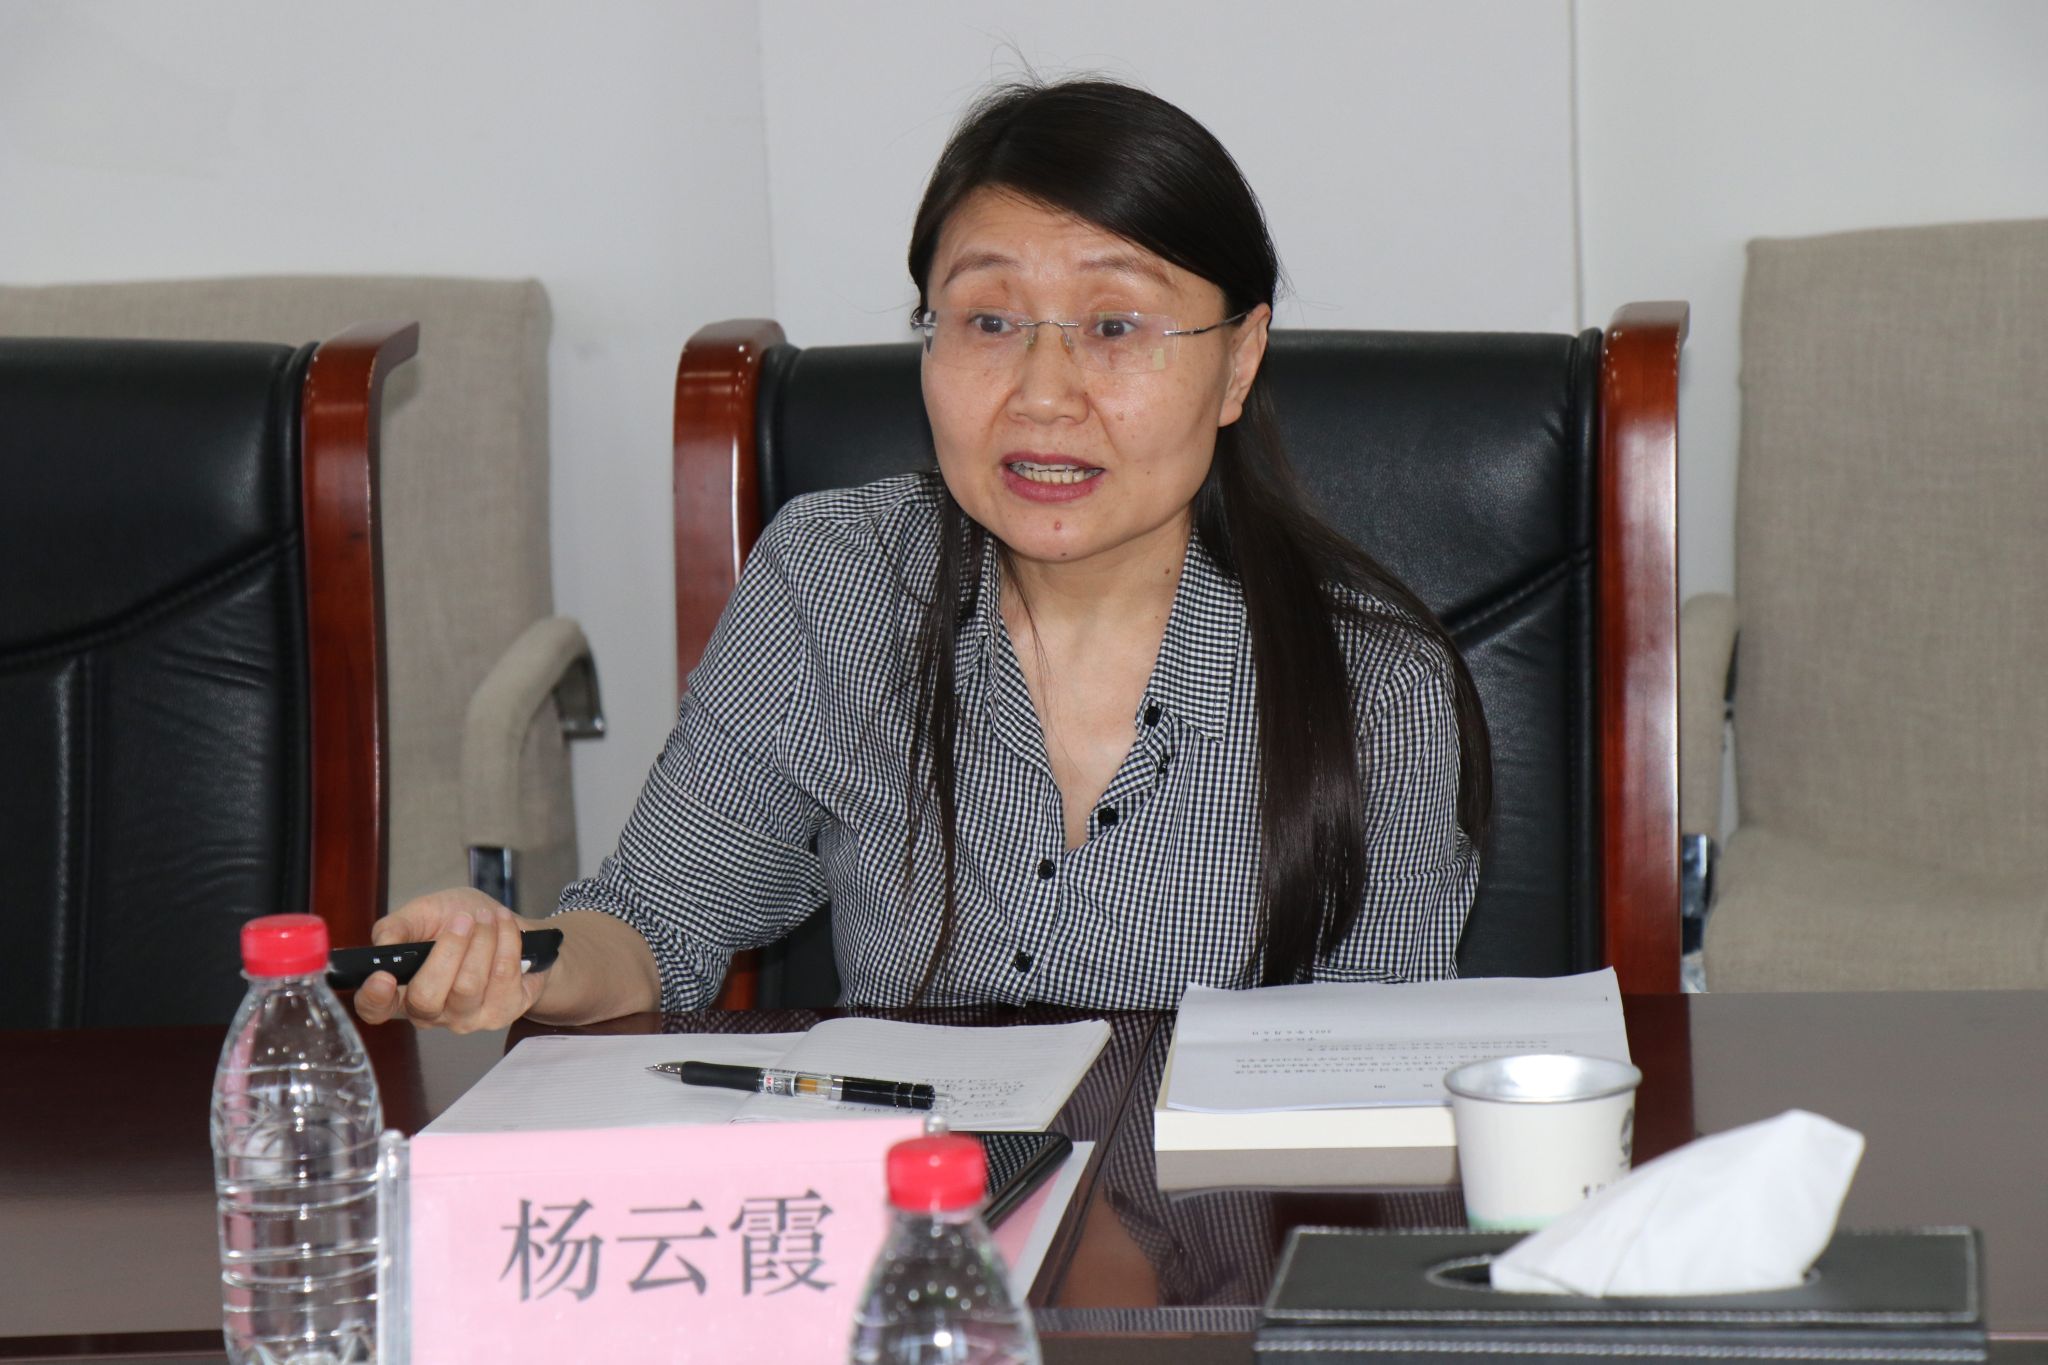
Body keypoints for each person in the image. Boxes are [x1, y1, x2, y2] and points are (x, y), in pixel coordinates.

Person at [354, 78, 1489, 1034]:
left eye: (1114, 326)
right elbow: (654, 926)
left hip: (1206, 1228)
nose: (1043, 395)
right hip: (916, 1214)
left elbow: (1376, 1087)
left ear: (1237, 363)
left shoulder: (1371, 682)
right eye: (989, 321)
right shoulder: (835, 581)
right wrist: (513, 957)